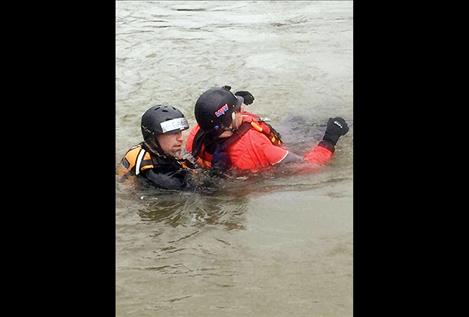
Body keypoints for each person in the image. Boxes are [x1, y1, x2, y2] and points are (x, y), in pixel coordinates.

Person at [185, 86, 349, 175]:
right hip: (286, 144)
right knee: (322, 123)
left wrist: (230, 97)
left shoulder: (196, 134)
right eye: (238, 108)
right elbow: (310, 166)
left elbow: (214, 114)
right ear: (232, 119)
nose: (241, 109)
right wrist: (330, 139)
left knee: (298, 118)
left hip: (266, 137)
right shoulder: (258, 148)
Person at [117, 104, 197, 190]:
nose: (180, 138)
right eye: (173, 133)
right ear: (154, 137)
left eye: (180, 132)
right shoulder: (159, 176)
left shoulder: (147, 148)